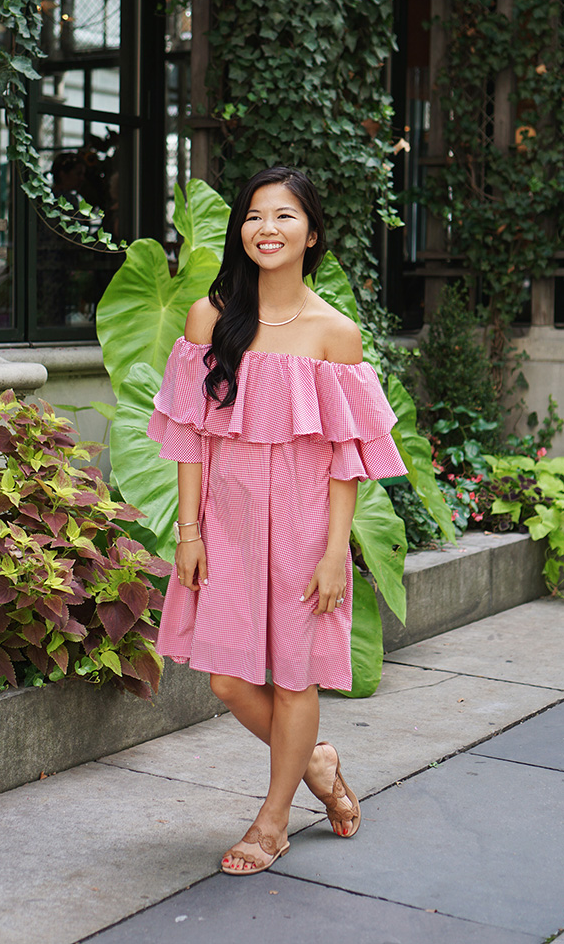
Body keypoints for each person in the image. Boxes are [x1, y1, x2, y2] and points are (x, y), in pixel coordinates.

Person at [147, 166, 407, 875]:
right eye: (255, 215)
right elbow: (189, 434)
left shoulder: (336, 334)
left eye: (284, 216)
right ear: (241, 231)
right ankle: (317, 764)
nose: (267, 227)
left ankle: (271, 820)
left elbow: (347, 460)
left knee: (295, 679)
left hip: (302, 528)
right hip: (224, 527)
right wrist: (190, 533)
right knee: (228, 678)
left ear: (311, 233)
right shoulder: (210, 318)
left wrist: (333, 552)